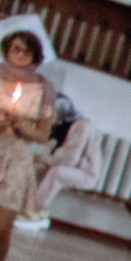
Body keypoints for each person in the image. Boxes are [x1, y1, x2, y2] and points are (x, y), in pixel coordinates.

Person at [0, 18, 59, 261]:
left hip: (16, 158)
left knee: (1, 227)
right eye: (16, 49)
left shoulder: (43, 87)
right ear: (6, 50)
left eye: (27, 51)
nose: (20, 55)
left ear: (35, 56)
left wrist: (23, 128)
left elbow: (43, 134)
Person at [31, 95, 101, 225]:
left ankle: (36, 213)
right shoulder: (62, 126)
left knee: (56, 173)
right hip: (65, 165)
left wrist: (45, 159)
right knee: (38, 169)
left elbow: (71, 159)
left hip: (85, 174)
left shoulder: (82, 126)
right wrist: (41, 159)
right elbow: (51, 148)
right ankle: (26, 207)